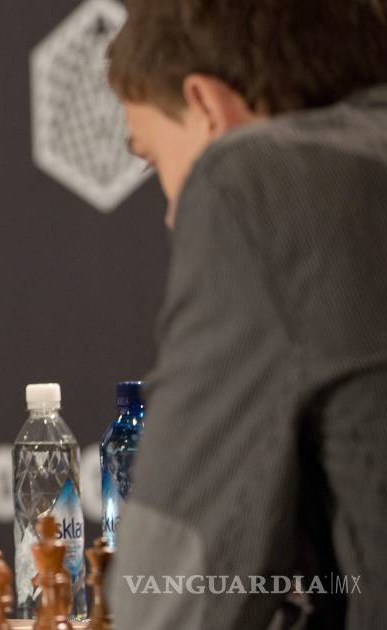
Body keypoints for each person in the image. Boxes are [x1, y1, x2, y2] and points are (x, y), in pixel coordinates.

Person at [103, 1, 387, 628]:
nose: (173, 215)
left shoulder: (256, 182)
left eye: (155, 162)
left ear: (207, 106)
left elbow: (168, 595)